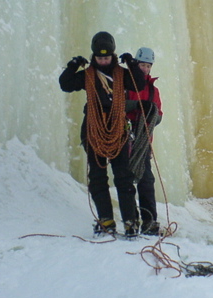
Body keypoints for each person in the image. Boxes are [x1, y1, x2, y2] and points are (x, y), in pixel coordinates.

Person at [59, 31, 145, 238]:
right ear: (94, 56)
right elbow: (66, 84)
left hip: (118, 130)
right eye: (100, 58)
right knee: (97, 177)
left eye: (107, 57)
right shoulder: (88, 75)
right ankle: (106, 220)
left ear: (113, 55)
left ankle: (131, 221)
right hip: (93, 130)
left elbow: (139, 85)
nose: (104, 61)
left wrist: (132, 65)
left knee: (123, 177)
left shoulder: (122, 74)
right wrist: (72, 66)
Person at [126, 47, 163, 236]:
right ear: (136, 64)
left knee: (146, 180)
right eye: (142, 65)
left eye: (148, 66)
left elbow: (159, 114)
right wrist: (137, 108)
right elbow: (118, 105)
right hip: (125, 138)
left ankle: (149, 221)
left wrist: (151, 114)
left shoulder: (152, 90)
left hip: (142, 142)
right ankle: (131, 220)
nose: (145, 69)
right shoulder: (127, 84)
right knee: (126, 181)